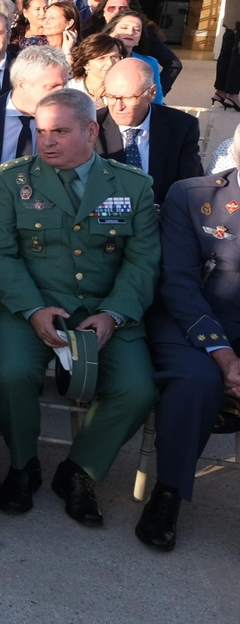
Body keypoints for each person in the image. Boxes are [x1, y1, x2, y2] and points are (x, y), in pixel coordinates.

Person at [0, 87, 158, 527]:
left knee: (137, 389)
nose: (47, 142)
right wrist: (32, 309)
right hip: (30, 306)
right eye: (41, 131)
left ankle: (79, 470)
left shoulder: (133, 185)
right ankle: (24, 465)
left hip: (106, 311)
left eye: (60, 131)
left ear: (91, 130)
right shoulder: (12, 180)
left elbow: (143, 261)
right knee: (12, 375)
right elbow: (1, 253)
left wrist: (114, 314)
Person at [137, 139, 240, 550]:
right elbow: (178, 280)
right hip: (193, 324)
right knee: (196, 380)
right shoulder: (194, 195)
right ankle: (169, 493)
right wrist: (225, 354)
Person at [92, 58, 200, 205]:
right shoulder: (91, 126)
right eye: (111, 97)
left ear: (152, 93)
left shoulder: (182, 126)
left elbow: (189, 185)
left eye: (128, 98)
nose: (118, 107)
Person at [0, 45, 68, 166]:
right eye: (52, 87)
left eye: (64, 85)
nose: (62, 93)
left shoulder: (70, 118)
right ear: (23, 84)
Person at [101, 11, 164, 104]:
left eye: (137, 30)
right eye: (124, 28)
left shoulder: (150, 63)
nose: (130, 32)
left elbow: (157, 101)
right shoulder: (95, 59)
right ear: (110, 32)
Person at [67, 33, 127, 108]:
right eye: (102, 58)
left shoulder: (126, 90)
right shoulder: (69, 89)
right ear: (86, 64)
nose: (110, 63)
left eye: (114, 57)